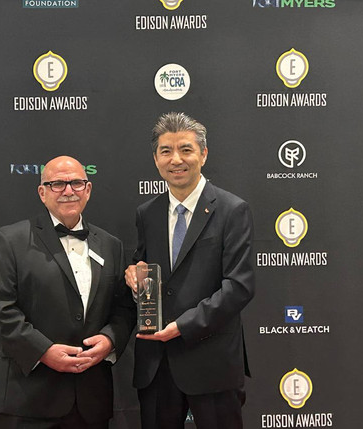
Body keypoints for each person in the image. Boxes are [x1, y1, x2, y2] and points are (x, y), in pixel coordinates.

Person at [125, 112, 255, 429]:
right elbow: (146, 270)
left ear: (203, 154)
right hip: (157, 364)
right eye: (166, 151)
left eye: (186, 149)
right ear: (156, 159)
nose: (176, 160)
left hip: (212, 359)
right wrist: (134, 278)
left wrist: (183, 326)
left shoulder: (232, 210)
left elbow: (239, 286)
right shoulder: (147, 213)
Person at [0, 156, 136, 429]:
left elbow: (123, 309)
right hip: (28, 398)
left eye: (76, 183)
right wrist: (43, 351)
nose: (68, 191)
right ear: (42, 192)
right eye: (57, 184)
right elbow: (1, 310)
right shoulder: (10, 240)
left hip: (92, 400)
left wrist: (110, 340)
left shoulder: (111, 245)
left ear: (88, 190)